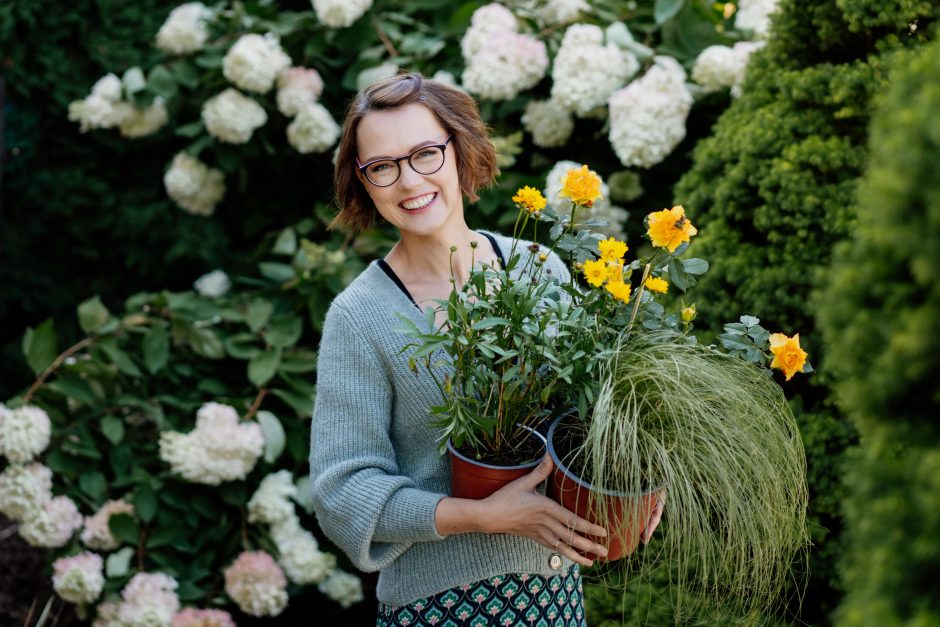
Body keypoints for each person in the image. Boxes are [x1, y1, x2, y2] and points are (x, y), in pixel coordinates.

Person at [309, 73, 662, 626]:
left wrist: (637, 482)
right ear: (363, 183)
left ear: (460, 150)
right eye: (382, 166)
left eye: (425, 153)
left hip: (552, 599)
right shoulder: (359, 317)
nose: (408, 181)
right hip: (439, 607)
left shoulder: (537, 268)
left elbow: (587, 417)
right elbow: (343, 491)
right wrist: (481, 515)